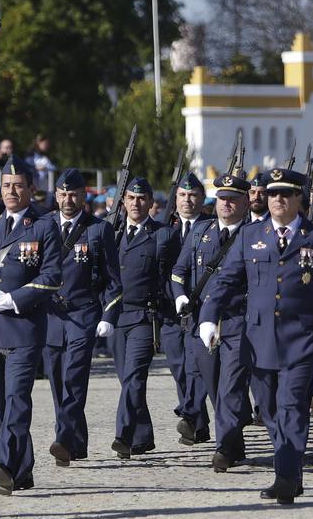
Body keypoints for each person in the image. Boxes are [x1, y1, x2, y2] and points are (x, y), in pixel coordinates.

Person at [197, 167, 313, 505]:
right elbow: (226, 280)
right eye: (272, 194)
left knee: (291, 407)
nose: (278, 199)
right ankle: (293, 472)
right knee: (269, 409)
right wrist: (208, 317)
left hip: (301, 339)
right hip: (259, 341)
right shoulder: (251, 235)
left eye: (286, 193)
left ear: (300, 198)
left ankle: (285, 476)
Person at [0, 157, 62, 495]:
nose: (11, 191)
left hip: (24, 325)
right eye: (6, 185)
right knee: (3, 402)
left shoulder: (44, 225)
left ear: (31, 188)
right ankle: (23, 469)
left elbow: (53, 276)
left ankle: (2, 462)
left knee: (16, 398)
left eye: (18, 185)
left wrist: (15, 299)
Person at [172, 171, 253, 471]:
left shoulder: (255, 234)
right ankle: (234, 442)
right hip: (202, 323)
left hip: (237, 321)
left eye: (233, 199)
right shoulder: (200, 231)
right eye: (222, 199)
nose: (226, 204)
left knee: (231, 386)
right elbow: (178, 271)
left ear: (246, 202)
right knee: (215, 386)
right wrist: (180, 295)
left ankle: (224, 449)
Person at [44, 169, 120, 467]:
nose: (67, 199)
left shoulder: (98, 230)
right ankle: (76, 443)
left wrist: (108, 313)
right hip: (51, 315)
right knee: (57, 379)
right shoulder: (44, 225)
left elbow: (113, 279)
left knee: (74, 377)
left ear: (83, 196)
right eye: (62, 193)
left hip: (82, 313)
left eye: (73, 193)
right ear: (56, 195)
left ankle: (63, 438)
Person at [98, 177, 178, 458]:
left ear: (151, 203)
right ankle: (143, 437)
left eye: (142, 198)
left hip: (144, 317)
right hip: (116, 316)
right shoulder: (112, 233)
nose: (136, 203)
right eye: (131, 198)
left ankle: (123, 434)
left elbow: (172, 275)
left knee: (134, 377)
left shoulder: (162, 235)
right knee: (126, 380)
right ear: (123, 203)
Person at [164, 173, 210, 446]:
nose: (187, 200)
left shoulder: (210, 227)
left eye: (193, 195)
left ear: (202, 200)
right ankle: (198, 425)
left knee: (196, 366)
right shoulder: (164, 229)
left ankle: (191, 417)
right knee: (178, 367)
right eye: (182, 195)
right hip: (171, 311)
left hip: (201, 308)